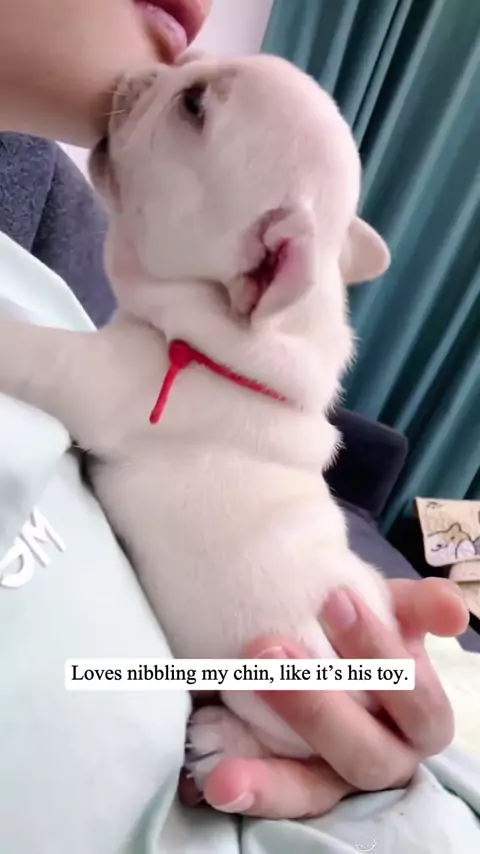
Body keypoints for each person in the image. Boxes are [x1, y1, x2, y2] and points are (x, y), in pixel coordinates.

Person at [0, 1, 478, 852]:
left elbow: (42, 365)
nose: (178, 55)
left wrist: (373, 764)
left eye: (193, 105)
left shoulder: (163, 363)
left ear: (264, 266)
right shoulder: (190, 362)